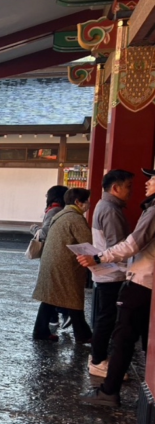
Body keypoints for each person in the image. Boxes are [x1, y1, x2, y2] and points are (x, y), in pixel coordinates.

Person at [78, 169, 155, 407]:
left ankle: (109, 391)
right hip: (135, 277)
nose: (147, 183)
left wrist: (98, 258)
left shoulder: (151, 210)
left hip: (142, 279)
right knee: (122, 330)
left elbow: (130, 245)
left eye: (152, 178)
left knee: (123, 335)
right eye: (130, 186)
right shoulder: (114, 208)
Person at [87, 169, 134, 378]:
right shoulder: (111, 210)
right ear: (115, 188)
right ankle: (98, 361)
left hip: (106, 272)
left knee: (104, 316)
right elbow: (117, 247)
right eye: (128, 187)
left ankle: (97, 358)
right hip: (112, 273)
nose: (131, 191)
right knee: (107, 318)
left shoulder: (103, 205)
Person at [32, 187, 94, 343]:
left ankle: (41, 330)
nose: (89, 204)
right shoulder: (76, 218)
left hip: (53, 262)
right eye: (86, 201)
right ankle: (82, 334)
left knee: (51, 298)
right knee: (73, 297)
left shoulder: (60, 214)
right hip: (66, 265)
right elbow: (87, 243)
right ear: (78, 202)